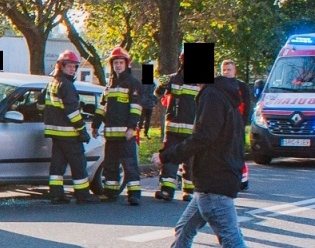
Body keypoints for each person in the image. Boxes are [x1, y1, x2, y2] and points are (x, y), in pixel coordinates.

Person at [134, 76, 274, 248]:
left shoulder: (211, 95)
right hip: (214, 180)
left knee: (232, 243)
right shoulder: (224, 94)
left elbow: (202, 138)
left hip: (213, 183)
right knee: (185, 230)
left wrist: (167, 156)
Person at [43, 50, 93, 204]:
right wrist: (82, 131)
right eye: (69, 66)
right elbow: (72, 113)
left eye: (74, 66)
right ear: (61, 66)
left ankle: (56, 194)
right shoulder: (67, 86)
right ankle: (83, 195)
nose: (72, 69)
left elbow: (40, 104)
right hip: (69, 134)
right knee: (78, 164)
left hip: (56, 134)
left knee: (57, 165)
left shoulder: (52, 82)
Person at [96, 46, 144, 205]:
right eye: (115, 62)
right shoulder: (109, 85)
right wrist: (95, 125)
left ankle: (134, 194)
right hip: (110, 135)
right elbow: (102, 107)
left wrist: (131, 127)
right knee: (110, 165)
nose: (118, 65)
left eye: (120, 62)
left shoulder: (133, 83)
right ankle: (110, 192)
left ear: (126, 64)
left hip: (125, 134)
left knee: (129, 164)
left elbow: (136, 108)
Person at [155, 54, 199, 201]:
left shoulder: (202, 84)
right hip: (172, 128)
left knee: (191, 161)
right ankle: (167, 190)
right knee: (169, 158)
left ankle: (189, 191)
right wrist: (161, 84)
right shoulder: (172, 78)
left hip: (192, 130)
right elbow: (158, 93)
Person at [221, 59, 252, 190]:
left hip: (237, 123)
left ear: (235, 71)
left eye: (229, 70)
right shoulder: (219, 85)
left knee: (238, 151)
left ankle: (243, 180)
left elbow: (247, 105)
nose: (226, 72)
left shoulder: (241, 86)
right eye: (224, 70)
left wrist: (243, 122)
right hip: (223, 124)